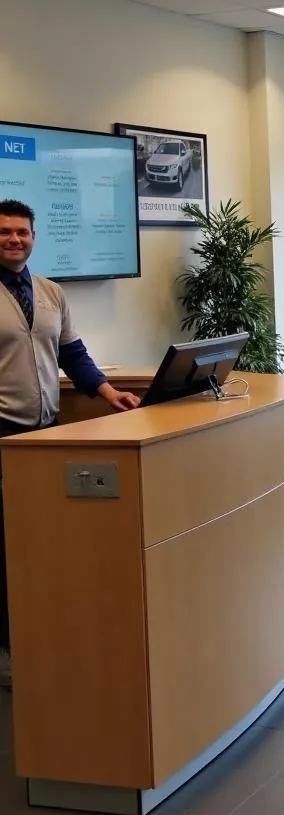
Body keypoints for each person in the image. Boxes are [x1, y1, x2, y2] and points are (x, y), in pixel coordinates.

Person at [0, 199, 140, 689]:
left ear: (34, 238)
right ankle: (10, 649)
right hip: (2, 435)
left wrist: (108, 393)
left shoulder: (50, 292)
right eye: (4, 233)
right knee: (6, 546)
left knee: (41, 542)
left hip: (46, 434)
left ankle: (43, 635)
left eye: (22, 232)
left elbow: (72, 353)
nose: (14, 240)